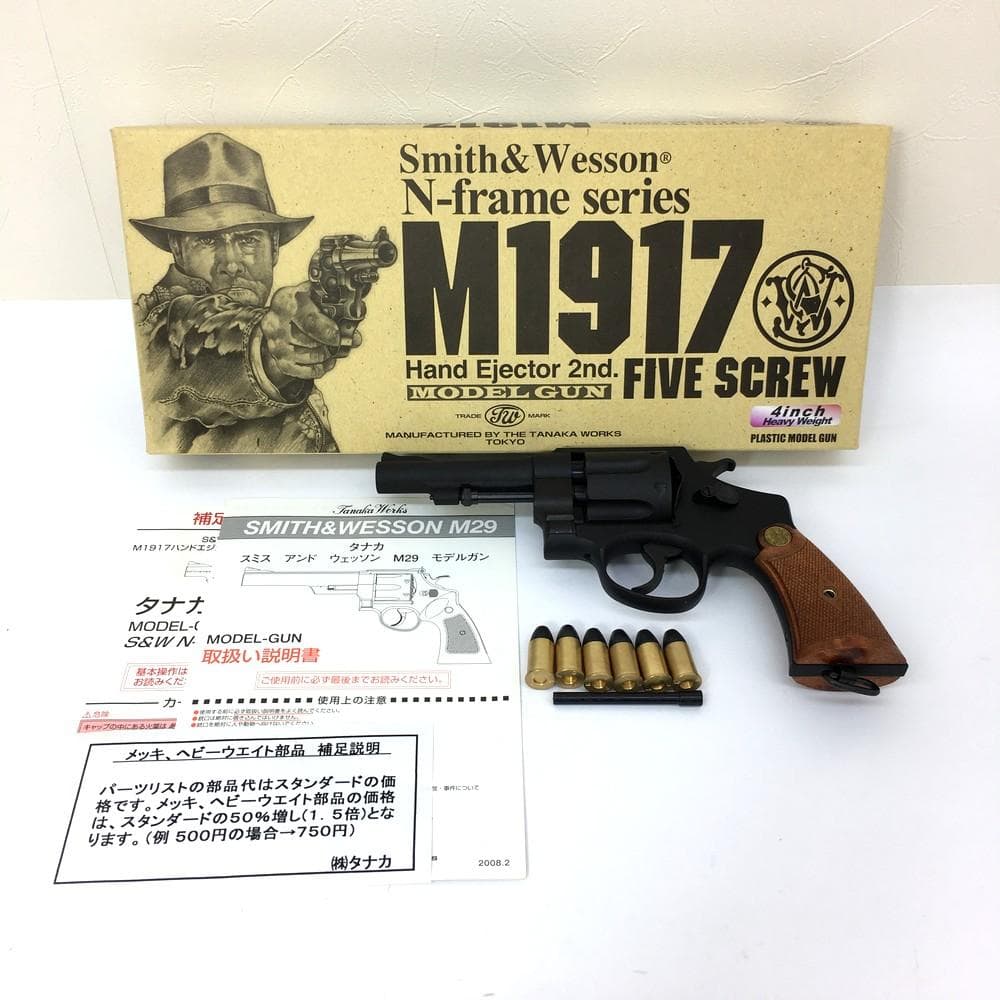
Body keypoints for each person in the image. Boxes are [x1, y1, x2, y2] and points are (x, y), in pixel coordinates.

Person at [131, 132, 356, 452]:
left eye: (248, 239)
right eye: (207, 240)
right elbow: (193, 334)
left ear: (274, 247)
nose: (232, 264)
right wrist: (267, 347)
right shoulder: (153, 328)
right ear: (177, 248)